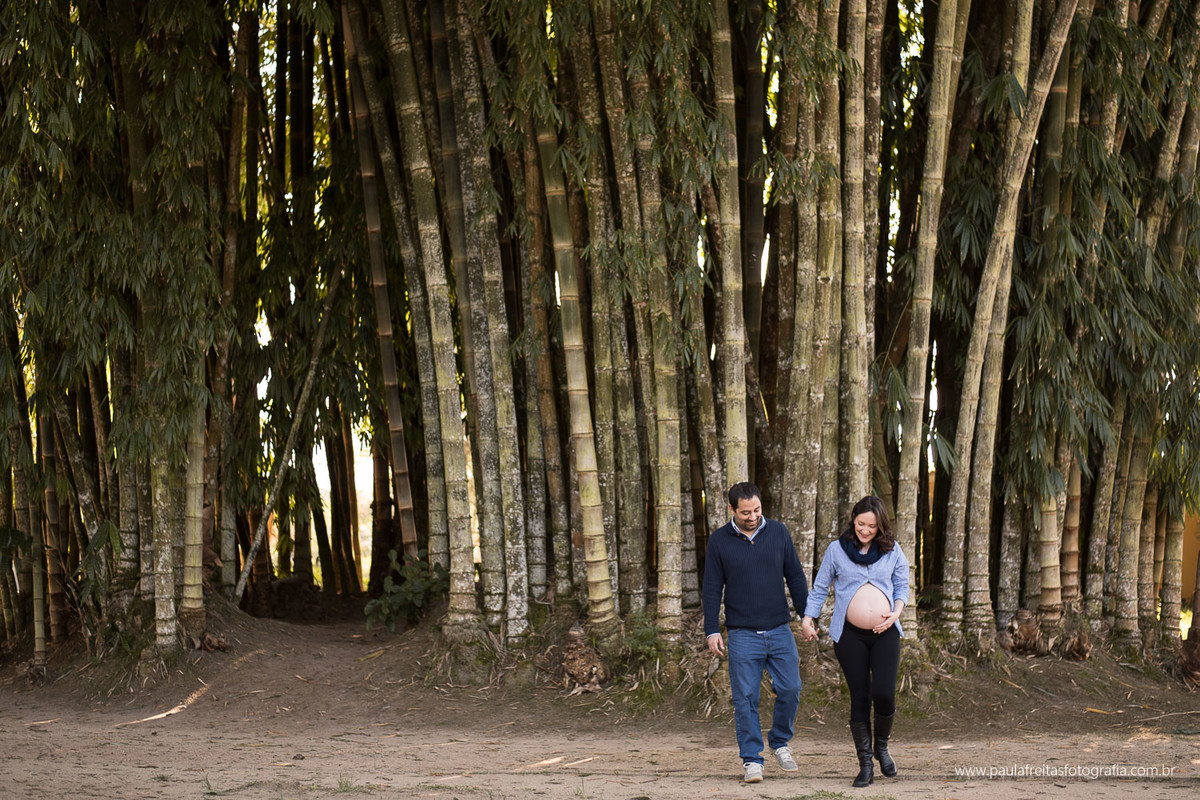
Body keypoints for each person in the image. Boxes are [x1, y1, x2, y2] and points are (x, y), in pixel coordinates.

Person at [702, 482, 812, 783]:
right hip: (742, 634)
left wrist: (805, 616)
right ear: (732, 510)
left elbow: (795, 576)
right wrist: (712, 629)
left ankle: (779, 741)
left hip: (779, 629)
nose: (752, 517)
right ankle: (752, 759)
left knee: (791, 689)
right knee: (745, 697)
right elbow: (712, 588)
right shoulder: (719, 541)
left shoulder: (778, 532)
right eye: (745, 512)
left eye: (757, 510)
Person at [800, 495, 909, 787]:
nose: (865, 530)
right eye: (861, 524)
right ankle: (865, 765)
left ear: (880, 525)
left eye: (872, 526)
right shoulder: (837, 550)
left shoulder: (892, 550)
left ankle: (881, 747)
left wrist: (895, 613)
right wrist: (808, 618)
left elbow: (902, 586)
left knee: (884, 693)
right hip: (849, 635)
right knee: (859, 695)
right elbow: (820, 588)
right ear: (854, 520)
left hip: (885, 632)